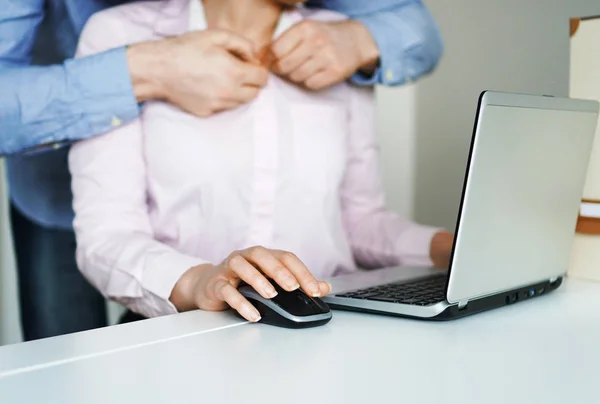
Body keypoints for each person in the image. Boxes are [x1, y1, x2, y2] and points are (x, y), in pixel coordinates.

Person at [0, 0, 443, 340]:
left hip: (328, 334)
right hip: (182, 335)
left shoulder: (335, 45)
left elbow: (360, 223)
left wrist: (446, 248)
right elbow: (108, 237)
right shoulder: (118, 33)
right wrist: (200, 282)